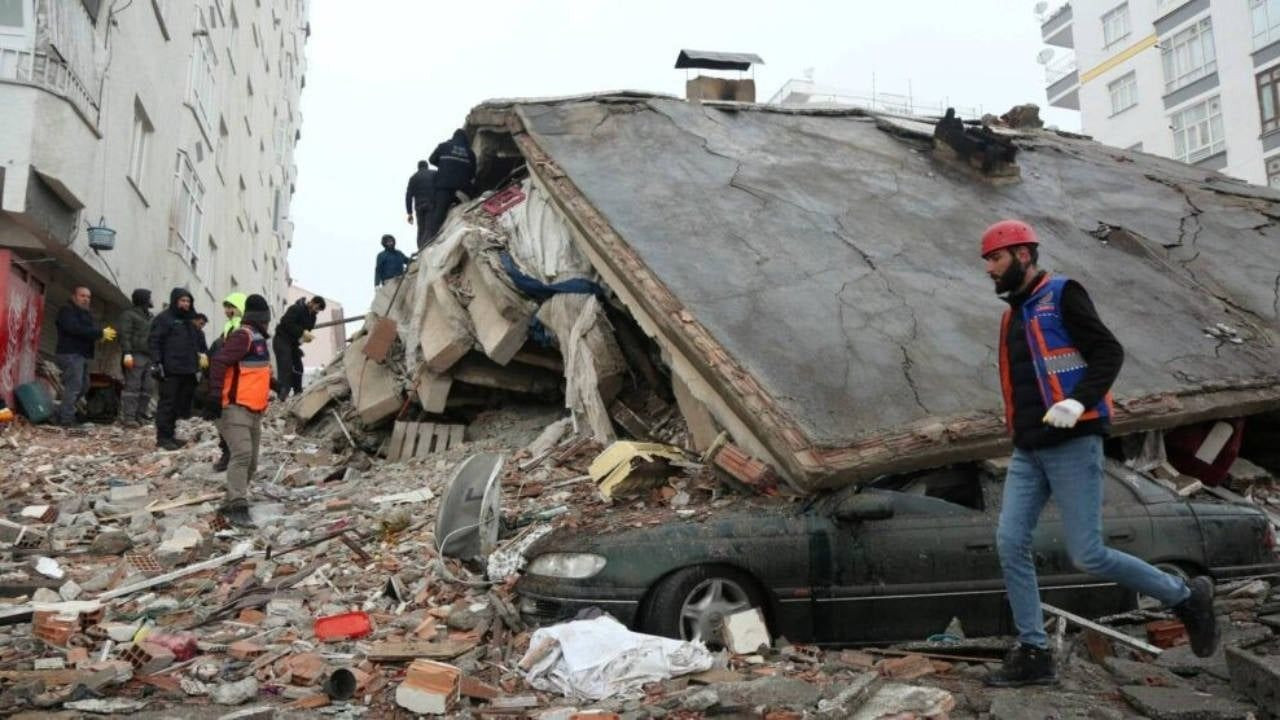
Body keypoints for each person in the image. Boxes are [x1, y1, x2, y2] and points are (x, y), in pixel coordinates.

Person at [980, 219, 1219, 687]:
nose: (989, 269)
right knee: (1010, 544)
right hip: (1029, 451)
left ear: (1023, 255)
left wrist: (1078, 401)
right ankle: (1034, 652)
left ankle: (1185, 595)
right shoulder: (1012, 315)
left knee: (1087, 553)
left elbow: (1108, 352)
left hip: (1073, 442)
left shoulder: (1064, 294)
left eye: (995, 258)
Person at [205, 293, 273, 528]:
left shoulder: (260, 341)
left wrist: (276, 385)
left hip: (254, 411)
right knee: (242, 455)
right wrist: (214, 395)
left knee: (252, 462)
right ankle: (236, 505)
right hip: (233, 408)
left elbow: (256, 372)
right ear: (262, 319)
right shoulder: (242, 336)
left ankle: (231, 500)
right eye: (266, 320)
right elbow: (219, 362)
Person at [148, 288, 202, 450]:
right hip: (170, 369)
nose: (185, 304)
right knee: (167, 403)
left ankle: (171, 435)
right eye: (182, 301)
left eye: (188, 301)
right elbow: (155, 341)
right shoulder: (165, 319)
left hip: (187, 370)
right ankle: (163, 438)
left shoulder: (190, 320)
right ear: (175, 301)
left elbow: (194, 343)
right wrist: (157, 362)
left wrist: (199, 359)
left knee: (179, 404)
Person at [54, 286, 115, 426]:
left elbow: (87, 331)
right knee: (74, 386)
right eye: (82, 296)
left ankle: (62, 412)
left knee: (84, 385)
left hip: (81, 355)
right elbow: (74, 328)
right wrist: (99, 333)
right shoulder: (67, 310)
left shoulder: (85, 313)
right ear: (74, 296)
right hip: (70, 353)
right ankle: (66, 419)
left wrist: (99, 337)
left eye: (88, 297)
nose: (86, 299)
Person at [211, 293, 247, 472]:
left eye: (231, 307)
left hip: (240, 383)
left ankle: (235, 456)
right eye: (226, 307)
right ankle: (227, 453)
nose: (228, 311)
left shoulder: (244, 330)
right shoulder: (228, 328)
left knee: (236, 421)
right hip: (227, 381)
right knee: (225, 419)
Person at [425, 129, 476, 242]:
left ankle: (432, 240)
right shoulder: (470, 152)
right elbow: (473, 173)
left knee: (438, 214)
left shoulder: (444, 146)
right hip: (463, 189)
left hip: (444, 187)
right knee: (465, 213)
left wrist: (443, 165)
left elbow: (431, 159)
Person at [273, 295, 324, 400]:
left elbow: (307, 331)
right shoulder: (296, 308)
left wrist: (305, 338)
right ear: (312, 302)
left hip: (293, 344)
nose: (317, 311)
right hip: (282, 340)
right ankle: (282, 395)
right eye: (317, 308)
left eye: (319, 310)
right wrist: (302, 332)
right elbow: (285, 323)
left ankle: (298, 394)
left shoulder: (313, 317)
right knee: (285, 366)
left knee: (298, 367)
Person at [116, 288, 154, 427]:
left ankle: (140, 415)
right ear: (143, 299)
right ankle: (129, 417)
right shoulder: (129, 315)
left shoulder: (150, 317)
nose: (151, 300)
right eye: (149, 297)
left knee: (147, 388)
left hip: (149, 356)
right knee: (133, 386)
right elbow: (124, 335)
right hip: (135, 354)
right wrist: (127, 353)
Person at [405, 160, 437, 250]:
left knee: (421, 229)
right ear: (427, 166)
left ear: (418, 167)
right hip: (431, 203)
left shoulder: (413, 178)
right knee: (429, 226)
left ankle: (420, 248)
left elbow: (408, 196)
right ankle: (426, 246)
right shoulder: (433, 173)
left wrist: (409, 213)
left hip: (419, 206)